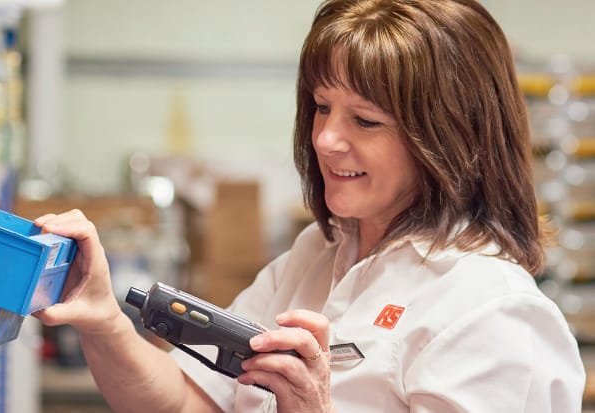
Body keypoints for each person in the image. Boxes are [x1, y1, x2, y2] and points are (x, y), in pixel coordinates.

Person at [33, 0, 586, 412]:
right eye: (322, 108)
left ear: (449, 137)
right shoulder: (318, 255)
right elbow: (186, 402)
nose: (325, 140)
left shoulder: (490, 314)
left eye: (365, 120)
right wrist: (103, 320)